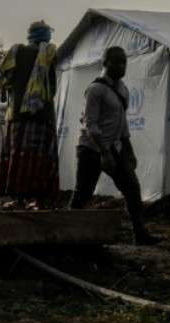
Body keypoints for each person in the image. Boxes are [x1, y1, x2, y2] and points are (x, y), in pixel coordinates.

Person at [69, 47, 164, 246]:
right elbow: (90, 124)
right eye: (116, 62)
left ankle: (140, 233)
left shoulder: (123, 89)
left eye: (124, 62)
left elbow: (122, 124)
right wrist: (103, 152)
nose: (121, 66)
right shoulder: (95, 89)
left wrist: (129, 150)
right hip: (91, 148)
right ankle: (66, 231)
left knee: (132, 187)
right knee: (83, 193)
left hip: (115, 147)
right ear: (105, 63)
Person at [0, 20, 60, 207]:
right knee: (42, 157)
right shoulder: (50, 53)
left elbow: (3, 85)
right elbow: (52, 87)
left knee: (19, 156)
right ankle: (40, 200)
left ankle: (19, 199)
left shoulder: (14, 52)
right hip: (43, 115)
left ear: (30, 35)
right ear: (46, 36)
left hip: (18, 117)